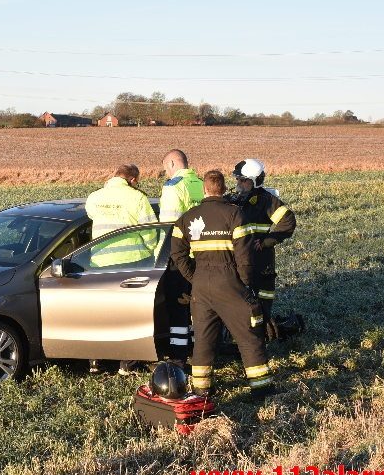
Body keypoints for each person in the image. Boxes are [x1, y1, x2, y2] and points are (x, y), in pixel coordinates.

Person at [170, 170, 273, 399]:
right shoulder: (235, 215)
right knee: (249, 335)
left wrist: (193, 278)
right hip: (230, 283)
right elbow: (245, 257)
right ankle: (262, 388)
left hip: (201, 285)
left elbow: (177, 255)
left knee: (203, 340)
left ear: (205, 189)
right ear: (224, 189)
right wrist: (245, 285)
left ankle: (202, 389)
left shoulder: (187, 217)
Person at [85, 163, 158, 374]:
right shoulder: (137, 198)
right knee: (130, 315)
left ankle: (95, 362)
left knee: (100, 314)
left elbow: (91, 215)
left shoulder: (95, 197)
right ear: (133, 180)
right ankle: (127, 364)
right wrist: (152, 250)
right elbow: (151, 233)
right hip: (132, 262)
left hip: (99, 263)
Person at [229, 159, 296, 339]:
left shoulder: (267, 201)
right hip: (240, 260)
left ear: (254, 181)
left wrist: (266, 241)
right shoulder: (235, 201)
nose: (239, 184)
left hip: (262, 262)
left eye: (243, 180)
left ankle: (265, 335)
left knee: (262, 302)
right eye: (238, 180)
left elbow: (288, 221)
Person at [158, 149, 204, 362]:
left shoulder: (173, 187)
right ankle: (199, 351)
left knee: (178, 308)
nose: (166, 173)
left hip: (182, 256)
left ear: (174, 163)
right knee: (200, 306)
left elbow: (168, 227)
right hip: (205, 255)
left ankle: (178, 356)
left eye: (166, 168)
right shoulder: (201, 184)